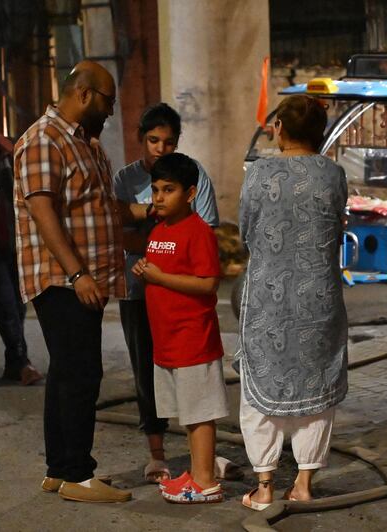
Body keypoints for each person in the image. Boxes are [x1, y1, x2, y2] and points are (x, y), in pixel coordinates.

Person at [14, 60, 150, 503]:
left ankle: (59, 470)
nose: (112, 110)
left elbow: (102, 208)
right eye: (109, 100)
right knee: (81, 372)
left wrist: (152, 213)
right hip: (63, 279)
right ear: (86, 94)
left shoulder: (86, 145)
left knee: (68, 372)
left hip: (86, 278)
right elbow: (43, 212)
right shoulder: (43, 140)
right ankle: (77, 473)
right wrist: (78, 274)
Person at [236, 95, 348, 509]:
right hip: (320, 300)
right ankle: (302, 484)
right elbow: (336, 225)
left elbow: (246, 230)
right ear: (321, 132)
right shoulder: (333, 175)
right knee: (317, 386)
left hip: (267, 298)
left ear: (279, 128)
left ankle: (263, 486)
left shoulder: (258, 174)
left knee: (259, 386)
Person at [113, 103, 228, 483]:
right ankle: (168, 457)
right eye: (153, 140)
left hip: (187, 318)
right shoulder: (126, 180)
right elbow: (117, 232)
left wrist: (158, 267)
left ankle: (204, 473)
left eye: (168, 141)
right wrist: (144, 224)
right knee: (152, 377)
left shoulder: (193, 188)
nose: (160, 148)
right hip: (147, 304)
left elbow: (203, 252)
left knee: (198, 400)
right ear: (140, 139)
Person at [131, 153, 229, 504]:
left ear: (189, 193)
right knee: (188, 414)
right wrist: (147, 269)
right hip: (167, 340)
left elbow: (207, 284)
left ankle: (205, 482)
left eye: (168, 190)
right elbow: (163, 271)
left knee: (200, 413)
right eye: (155, 189)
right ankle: (197, 472)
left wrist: (158, 277)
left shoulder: (199, 232)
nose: (158, 197)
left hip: (193, 339)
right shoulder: (159, 230)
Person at [0, 102, 42, 385]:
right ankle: (21, 362)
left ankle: (13, 362)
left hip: (12, 242)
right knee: (6, 304)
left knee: (17, 304)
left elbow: (15, 153)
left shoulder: (3, 160)